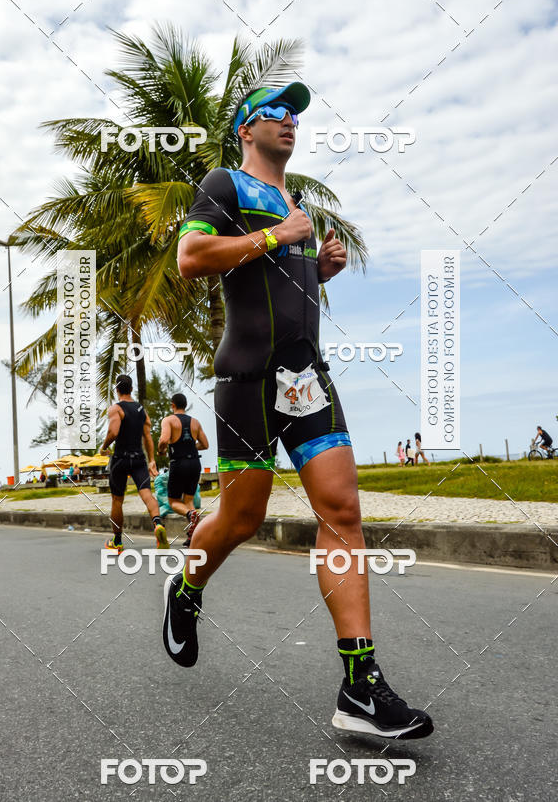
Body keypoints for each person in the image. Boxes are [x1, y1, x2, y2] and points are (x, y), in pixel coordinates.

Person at [162, 82, 433, 740]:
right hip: (246, 377)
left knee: (342, 512)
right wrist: (278, 237)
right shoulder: (224, 186)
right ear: (245, 130)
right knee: (242, 517)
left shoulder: (298, 203)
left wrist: (321, 269)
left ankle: (360, 687)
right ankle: (187, 590)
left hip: (307, 375)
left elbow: (283, 285)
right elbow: (192, 258)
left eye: (295, 114)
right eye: (275, 113)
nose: (290, 122)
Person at [100, 374, 169, 553]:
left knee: (117, 500)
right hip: (139, 458)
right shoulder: (141, 410)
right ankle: (158, 524)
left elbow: (113, 432)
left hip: (120, 459)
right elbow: (147, 437)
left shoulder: (116, 409)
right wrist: (152, 460)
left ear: (117, 390)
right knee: (147, 494)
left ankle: (117, 541)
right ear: (131, 389)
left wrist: (104, 446)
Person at [157, 393, 209, 547]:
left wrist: (161, 451)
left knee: (173, 501)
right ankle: (193, 537)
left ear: (173, 404)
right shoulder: (195, 422)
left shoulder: (168, 420)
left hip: (179, 463)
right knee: (188, 500)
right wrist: (191, 447)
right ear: (185, 405)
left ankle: (189, 514)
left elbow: (164, 440)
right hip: (194, 463)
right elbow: (205, 444)